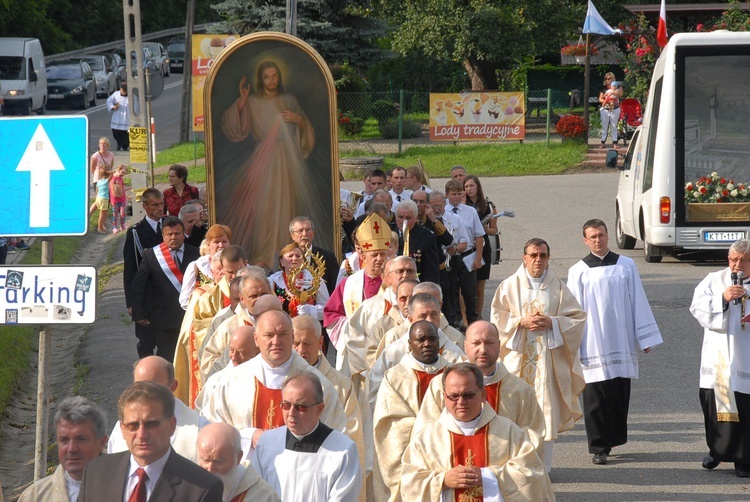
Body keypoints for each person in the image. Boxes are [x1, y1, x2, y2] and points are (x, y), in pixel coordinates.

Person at [567, 219, 662, 465]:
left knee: (619, 391)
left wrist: (645, 337)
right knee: (595, 394)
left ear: (608, 236)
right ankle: (599, 446)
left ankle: (615, 437)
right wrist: (572, 343)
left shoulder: (626, 265)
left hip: (620, 337)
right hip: (592, 339)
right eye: (592, 237)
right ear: (585, 241)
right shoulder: (578, 271)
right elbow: (572, 310)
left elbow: (638, 301)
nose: (598, 240)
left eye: (601, 235)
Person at [199, 310, 350, 460]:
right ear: (256, 339)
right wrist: (247, 437)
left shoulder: (319, 386)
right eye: (269, 335)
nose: (276, 341)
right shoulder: (231, 381)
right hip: (245, 478)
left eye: (283, 334)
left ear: (292, 337)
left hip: (299, 474)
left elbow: (335, 439)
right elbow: (211, 429)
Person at [219, 60, 327, 268]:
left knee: (287, 203)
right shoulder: (252, 101)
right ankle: (264, 254)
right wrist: (242, 101)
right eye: (267, 76)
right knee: (263, 207)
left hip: (287, 160)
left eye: (275, 76)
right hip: (262, 161)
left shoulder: (289, 99)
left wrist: (299, 119)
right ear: (260, 79)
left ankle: (288, 253)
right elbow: (234, 128)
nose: (271, 80)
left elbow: (305, 128)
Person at [491, 237, 587, 471]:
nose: (538, 260)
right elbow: (496, 320)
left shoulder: (558, 287)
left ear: (548, 258)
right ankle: (515, 466)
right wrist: (519, 321)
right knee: (515, 414)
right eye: (533, 255)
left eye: (543, 255)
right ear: (524, 258)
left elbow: (577, 318)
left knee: (545, 416)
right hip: (516, 362)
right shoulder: (509, 286)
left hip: (547, 365)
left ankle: (543, 469)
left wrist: (553, 322)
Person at [401, 363, 554, 501]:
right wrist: (443, 481)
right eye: (453, 396)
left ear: (482, 395)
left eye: (468, 395)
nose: (461, 402)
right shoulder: (427, 438)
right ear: (444, 397)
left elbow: (532, 474)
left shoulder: (509, 432)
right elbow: (410, 482)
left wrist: (487, 477)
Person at [78, 381, 223, 500]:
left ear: (171, 426)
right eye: (133, 425)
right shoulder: (95, 472)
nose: (141, 434)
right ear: (122, 429)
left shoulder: (201, 487)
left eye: (151, 424)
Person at [417, 321, 545, 454]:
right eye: (476, 343)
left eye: (489, 343)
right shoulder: (440, 385)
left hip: (500, 470)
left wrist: (495, 471)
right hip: (451, 467)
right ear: (466, 346)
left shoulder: (519, 390)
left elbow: (534, 436)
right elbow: (425, 432)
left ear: (499, 345)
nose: (483, 350)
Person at [689, 239, 750, 477]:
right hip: (719, 358)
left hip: (746, 356)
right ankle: (716, 452)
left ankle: (744, 460)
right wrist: (723, 299)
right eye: (734, 259)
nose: (737, 265)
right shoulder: (714, 280)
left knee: (745, 408)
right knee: (714, 406)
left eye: (743, 260)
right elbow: (697, 308)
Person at [252, 372, 362, 501]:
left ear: (319, 409)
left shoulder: (343, 450)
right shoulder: (266, 442)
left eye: (300, 407)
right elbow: (255, 493)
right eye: (286, 405)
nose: (291, 413)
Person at [373, 321, 450, 501]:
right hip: (409, 456)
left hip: (448, 455)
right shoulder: (394, 377)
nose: (427, 344)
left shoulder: (452, 374)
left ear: (439, 342)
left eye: (432, 339)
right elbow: (390, 424)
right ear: (409, 344)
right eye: (420, 339)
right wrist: (431, 431)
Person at [324, 213, 391, 369]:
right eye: (374, 255)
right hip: (355, 352)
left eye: (383, 254)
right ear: (362, 254)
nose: (379, 259)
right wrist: (354, 332)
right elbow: (331, 315)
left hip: (388, 350)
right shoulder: (349, 284)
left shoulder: (395, 282)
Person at [130, 216, 201, 361]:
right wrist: (139, 313)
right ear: (163, 236)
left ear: (183, 234)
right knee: (167, 356)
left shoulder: (196, 253)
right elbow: (139, 286)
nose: (174, 237)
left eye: (177, 233)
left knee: (190, 356)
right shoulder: (151, 255)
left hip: (190, 316)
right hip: (163, 317)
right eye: (169, 234)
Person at [108, 356, 201, 462]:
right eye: (140, 387)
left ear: (173, 386)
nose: (146, 394)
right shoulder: (123, 427)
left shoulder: (200, 430)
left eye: (155, 387)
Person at [19, 396, 108, 502]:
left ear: (102, 442)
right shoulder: (35, 496)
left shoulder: (126, 488)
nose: (71, 449)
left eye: (81, 439)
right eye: (64, 440)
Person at [199, 269, 274, 379]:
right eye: (253, 296)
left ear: (271, 293)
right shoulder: (228, 326)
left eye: (264, 294)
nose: (259, 299)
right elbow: (208, 365)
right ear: (242, 299)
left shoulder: (283, 323)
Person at [123, 188, 165, 358]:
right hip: (146, 295)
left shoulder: (170, 227)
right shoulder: (136, 232)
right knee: (146, 343)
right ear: (145, 206)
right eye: (155, 205)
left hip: (166, 296)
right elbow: (131, 270)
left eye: (162, 204)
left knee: (167, 344)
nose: (160, 208)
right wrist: (132, 303)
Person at [196, 423, 281, 502]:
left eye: (219, 461)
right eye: (205, 460)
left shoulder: (264, 496)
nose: (210, 470)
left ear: (238, 457)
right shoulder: (190, 486)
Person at [444, 179, 485, 327]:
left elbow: (478, 235)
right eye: (453, 194)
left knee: (469, 291)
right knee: (452, 290)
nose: (457, 197)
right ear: (447, 195)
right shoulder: (444, 212)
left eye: (459, 194)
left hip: (467, 255)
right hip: (450, 256)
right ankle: (454, 321)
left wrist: (478, 258)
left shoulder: (470, 211)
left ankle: (473, 320)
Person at [268, 242, 329, 320]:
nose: (294, 258)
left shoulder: (315, 280)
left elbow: (327, 309)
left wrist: (310, 310)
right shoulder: (273, 281)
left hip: (308, 327)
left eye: (298, 256)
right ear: (282, 261)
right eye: (290, 256)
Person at [464, 175, 497, 314]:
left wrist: (484, 229)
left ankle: (477, 315)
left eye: (472, 186)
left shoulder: (487, 205)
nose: (469, 189)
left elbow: (493, 230)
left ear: (478, 187)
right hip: (468, 248)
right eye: (466, 187)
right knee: (467, 287)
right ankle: (466, 316)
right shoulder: (462, 205)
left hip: (483, 247)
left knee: (480, 287)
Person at [179, 224, 233, 310]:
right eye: (216, 242)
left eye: (224, 241)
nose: (221, 245)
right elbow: (184, 301)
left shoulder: (237, 265)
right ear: (208, 244)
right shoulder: (196, 266)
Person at [289, 216, 339, 295]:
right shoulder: (285, 257)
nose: (304, 234)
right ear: (292, 235)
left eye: (308, 230)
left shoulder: (328, 257)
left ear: (313, 233)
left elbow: (335, 288)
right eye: (300, 231)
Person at [395, 199, 441, 285]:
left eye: (408, 218)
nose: (404, 221)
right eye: (400, 217)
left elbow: (431, 271)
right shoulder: (389, 232)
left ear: (416, 218)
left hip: (416, 284)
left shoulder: (426, 237)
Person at [598, 72, 623, 149]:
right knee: (604, 126)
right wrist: (607, 101)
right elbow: (600, 98)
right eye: (606, 79)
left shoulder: (618, 87)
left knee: (614, 126)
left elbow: (620, 94)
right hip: (606, 108)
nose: (607, 80)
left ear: (613, 78)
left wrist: (612, 92)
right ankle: (603, 142)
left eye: (609, 78)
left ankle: (615, 142)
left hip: (615, 108)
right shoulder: (604, 88)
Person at [89, 162, 113, 234]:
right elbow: (112, 173)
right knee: (103, 215)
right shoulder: (106, 181)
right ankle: (100, 228)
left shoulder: (98, 182)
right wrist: (108, 171)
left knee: (102, 214)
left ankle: (102, 227)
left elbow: (97, 191)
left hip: (98, 198)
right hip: (104, 199)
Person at [106, 82, 129, 151]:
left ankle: (125, 145)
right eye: (123, 90)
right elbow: (108, 100)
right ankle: (119, 143)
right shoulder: (116, 94)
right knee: (116, 133)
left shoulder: (131, 95)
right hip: (117, 117)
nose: (124, 92)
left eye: (125, 91)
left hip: (127, 117)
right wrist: (113, 107)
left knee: (126, 134)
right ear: (120, 89)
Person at [109, 164, 128, 234]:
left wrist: (126, 197)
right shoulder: (112, 178)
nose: (123, 174)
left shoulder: (121, 179)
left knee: (123, 213)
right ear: (118, 170)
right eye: (122, 172)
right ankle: (114, 227)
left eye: (125, 173)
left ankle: (122, 225)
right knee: (115, 214)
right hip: (114, 200)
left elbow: (123, 188)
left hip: (122, 199)